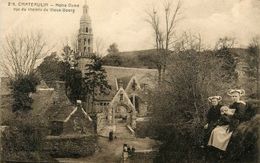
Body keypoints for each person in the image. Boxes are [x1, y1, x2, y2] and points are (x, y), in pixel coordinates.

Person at [208, 89, 247, 154]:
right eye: (233, 96)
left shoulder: (241, 104)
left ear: (239, 96)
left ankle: (221, 149)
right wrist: (224, 113)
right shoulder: (232, 105)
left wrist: (230, 114)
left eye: (235, 96)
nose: (234, 98)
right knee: (216, 130)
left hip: (237, 122)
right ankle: (215, 148)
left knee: (221, 133)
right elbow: (228, 114)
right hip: (230, 121)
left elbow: (241, 116)